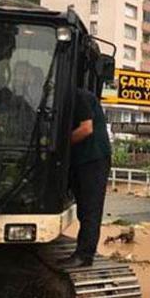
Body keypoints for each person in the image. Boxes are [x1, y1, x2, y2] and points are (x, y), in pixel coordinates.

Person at [59, 88, 112, 268]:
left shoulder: (78, 96)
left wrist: (60, 144)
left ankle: (84, 256)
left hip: (93, 159)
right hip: (82, 159)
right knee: (84, 209)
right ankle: (84, 250)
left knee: (90, 209)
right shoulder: (68, 98)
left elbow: (86, 128)